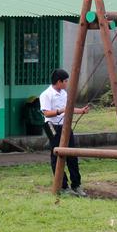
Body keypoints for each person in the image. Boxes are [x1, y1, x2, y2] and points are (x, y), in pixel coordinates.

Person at [40, 69, 89, 197]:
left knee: (72, 154)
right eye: (65, 81)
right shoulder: (46, 94)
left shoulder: (64, 93)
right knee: (57, 155)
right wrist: (60, 111)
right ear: (59, 81)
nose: (67, 83)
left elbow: (70, 108)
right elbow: (46, 113)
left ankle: (76, 184)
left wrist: (81, 111)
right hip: (52, 126)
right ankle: (63, 185)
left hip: (64, 125)